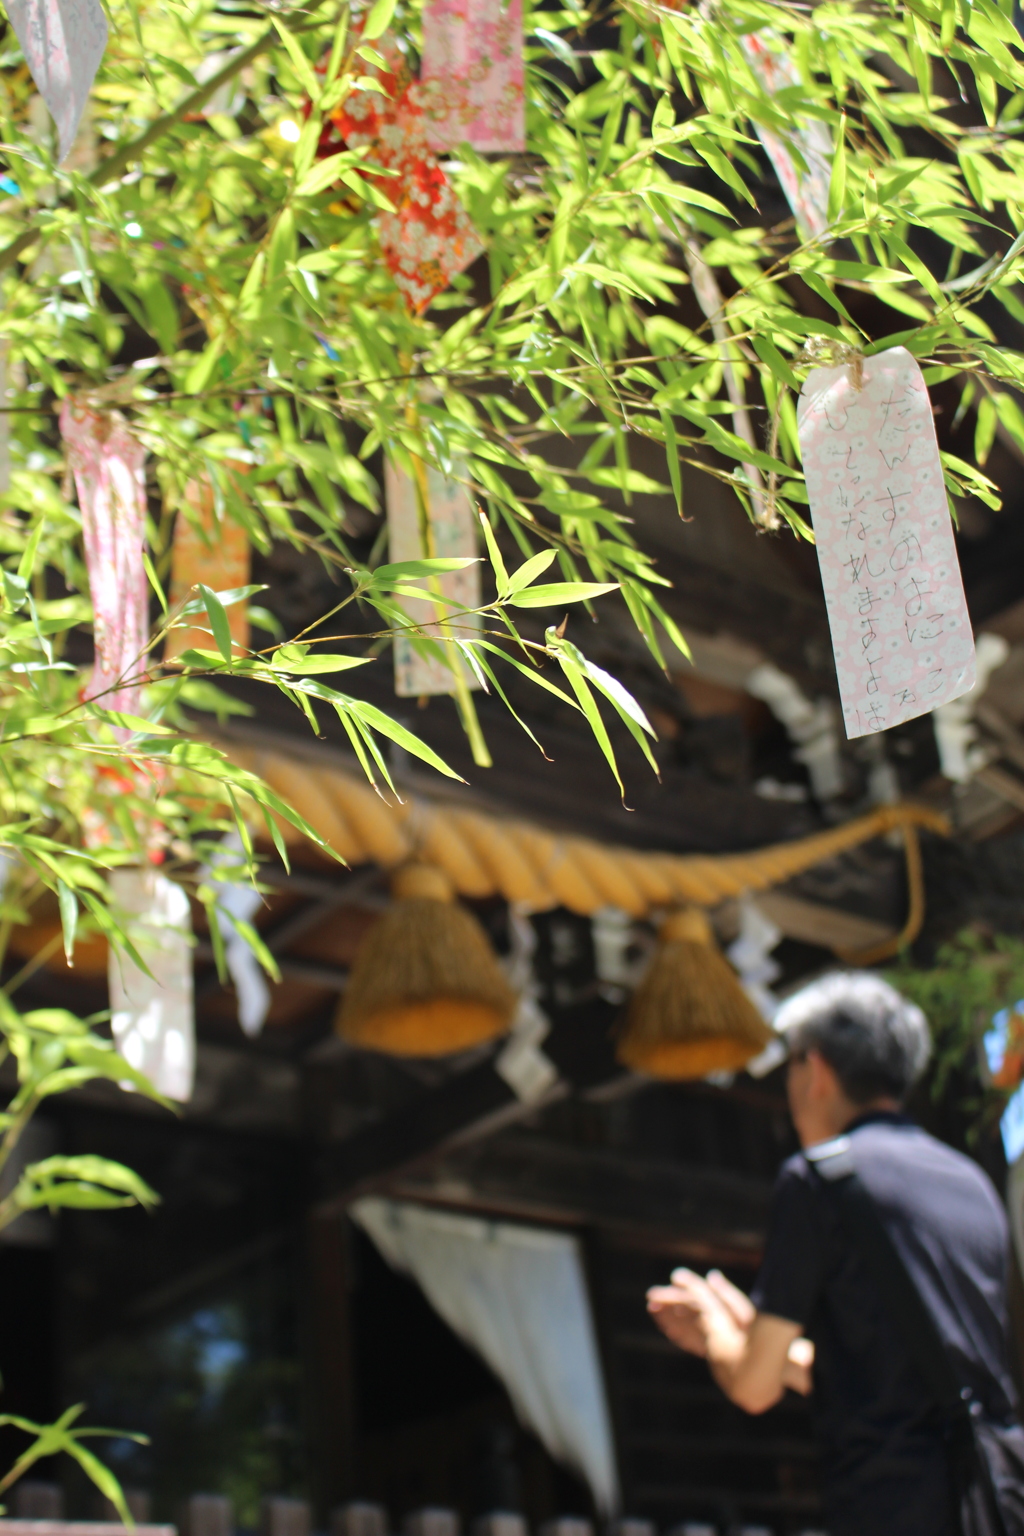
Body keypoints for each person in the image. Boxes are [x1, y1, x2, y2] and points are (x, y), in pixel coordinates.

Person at [647, 971, 1024, 1536]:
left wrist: (717, 1333)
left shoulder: (822, 1179)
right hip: (992, 1500)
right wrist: (753, 1332)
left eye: (792, 1063)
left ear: (816, 1069)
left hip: (893, 1507)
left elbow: (754, 1386)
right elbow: (905, 1376)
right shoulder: (971, 1184)